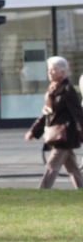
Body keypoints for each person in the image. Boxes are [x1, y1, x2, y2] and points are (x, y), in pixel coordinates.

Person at [26, 56, 83, 189]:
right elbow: (46, 113)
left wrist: (81, 132)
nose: (49, 73)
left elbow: (78, 113)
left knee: (52, 165)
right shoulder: (52, 89)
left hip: (65, 134)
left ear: (62, 72)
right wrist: (34, 131)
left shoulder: (68, 90)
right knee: (72, 167)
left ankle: (42, 192)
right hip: (57, 133)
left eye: (53, 70)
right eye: (49, 70)